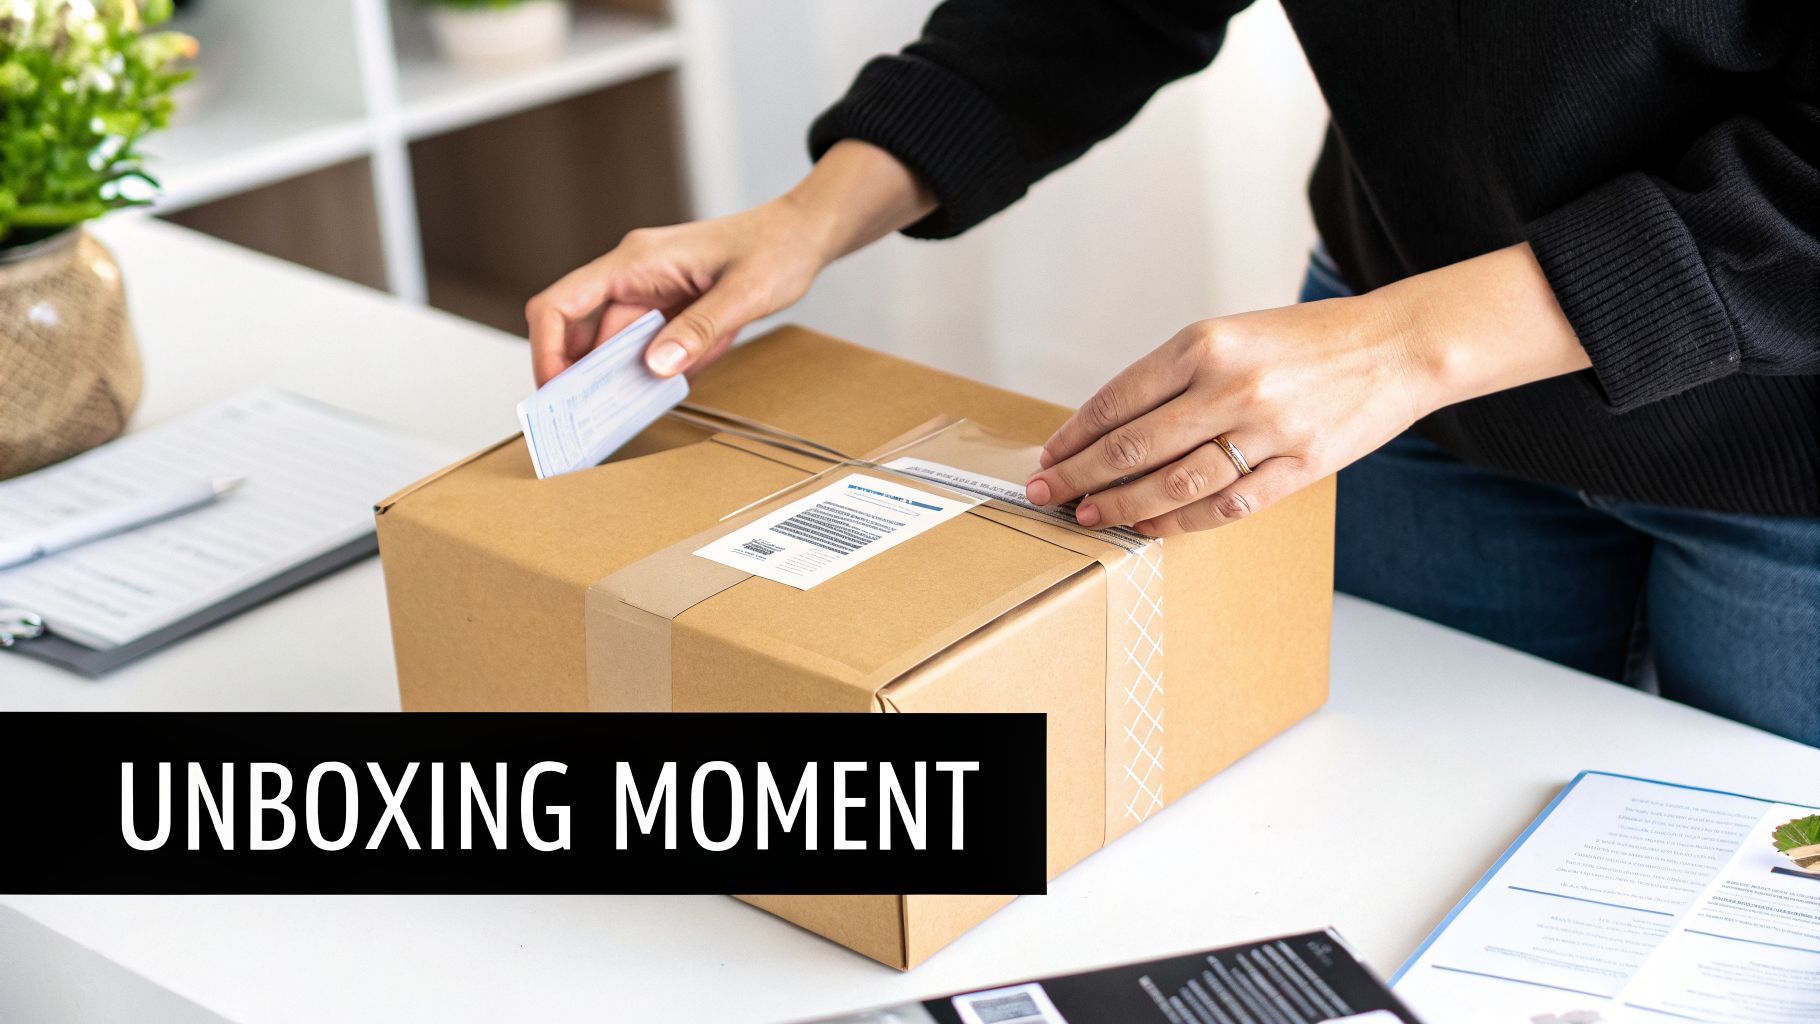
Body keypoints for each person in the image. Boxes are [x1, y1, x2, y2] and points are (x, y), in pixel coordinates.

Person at [527, 1, 1819, 746]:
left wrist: (1399, 347)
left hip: (1775, 445)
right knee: (1388, 830)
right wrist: (812, 214)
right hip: (1414, 398)